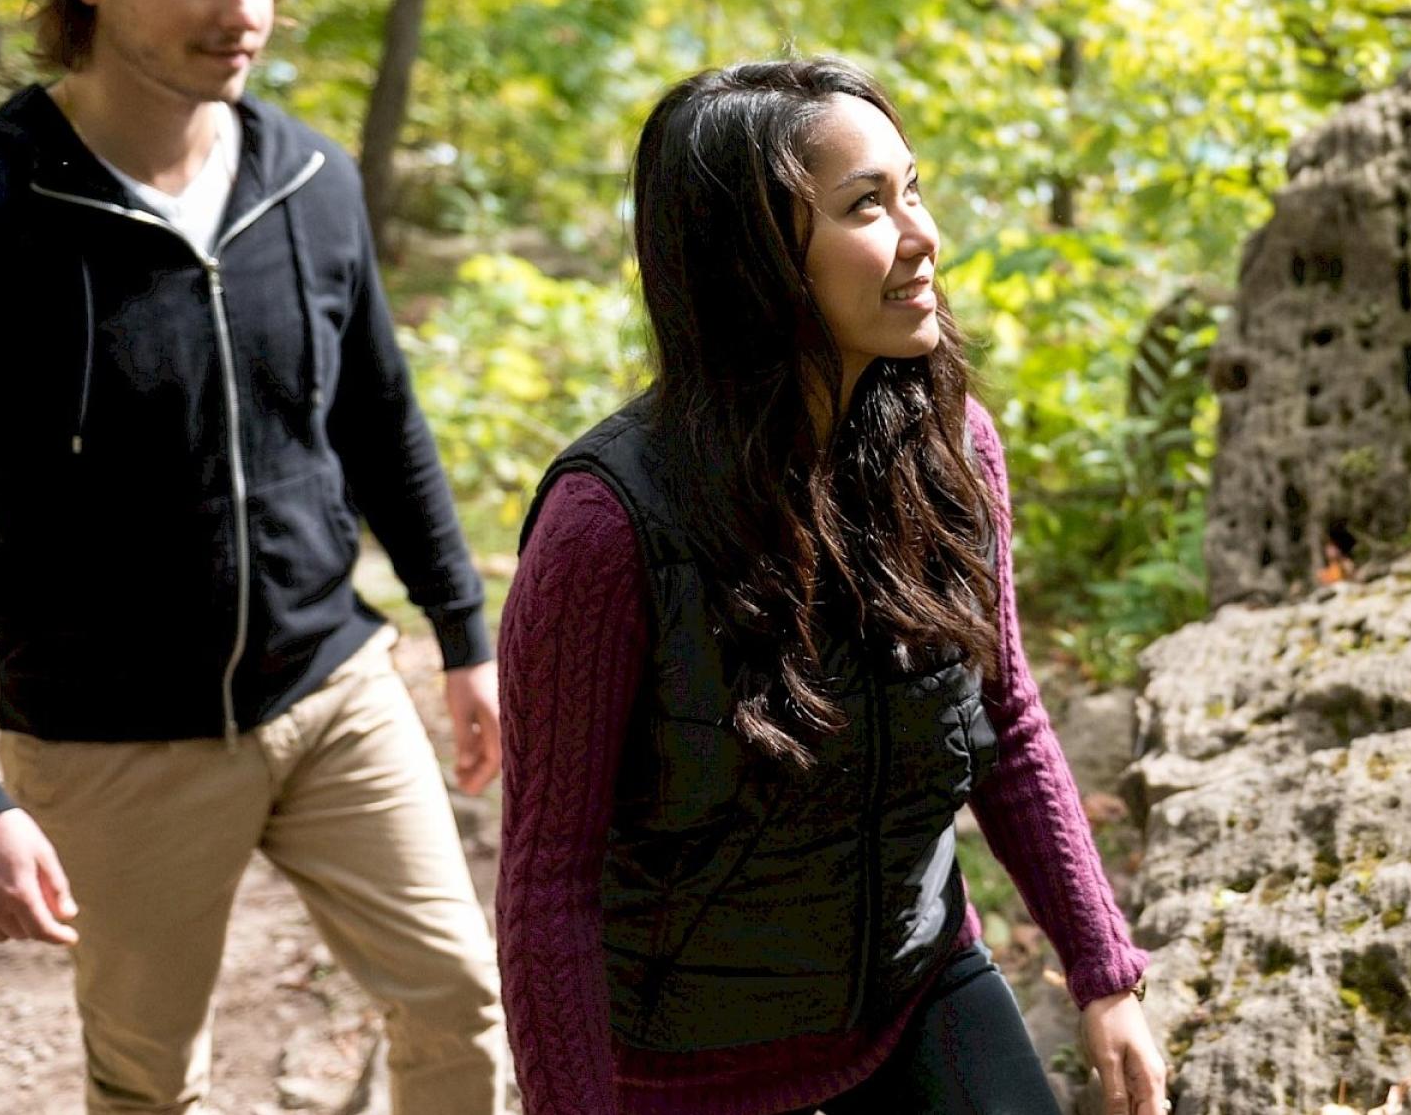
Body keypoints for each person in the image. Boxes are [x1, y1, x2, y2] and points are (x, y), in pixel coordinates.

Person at [0, 0, 509, 1110]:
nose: (243, 12)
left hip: (334, 692)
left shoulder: (311, 179)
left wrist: (463, 636)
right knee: (149, 1081)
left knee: (460, 1001)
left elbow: (382, 421)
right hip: (111, 742)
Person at [498, 58, 1170, 1114]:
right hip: (689, 1065)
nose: (921, 233)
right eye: (867, 205)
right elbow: (549, 886)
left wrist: (1104, 969)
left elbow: (1005, 717)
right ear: (753, 257)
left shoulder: (951, 449)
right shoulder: (607, 526)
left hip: (919, 990)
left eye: (914, 189)